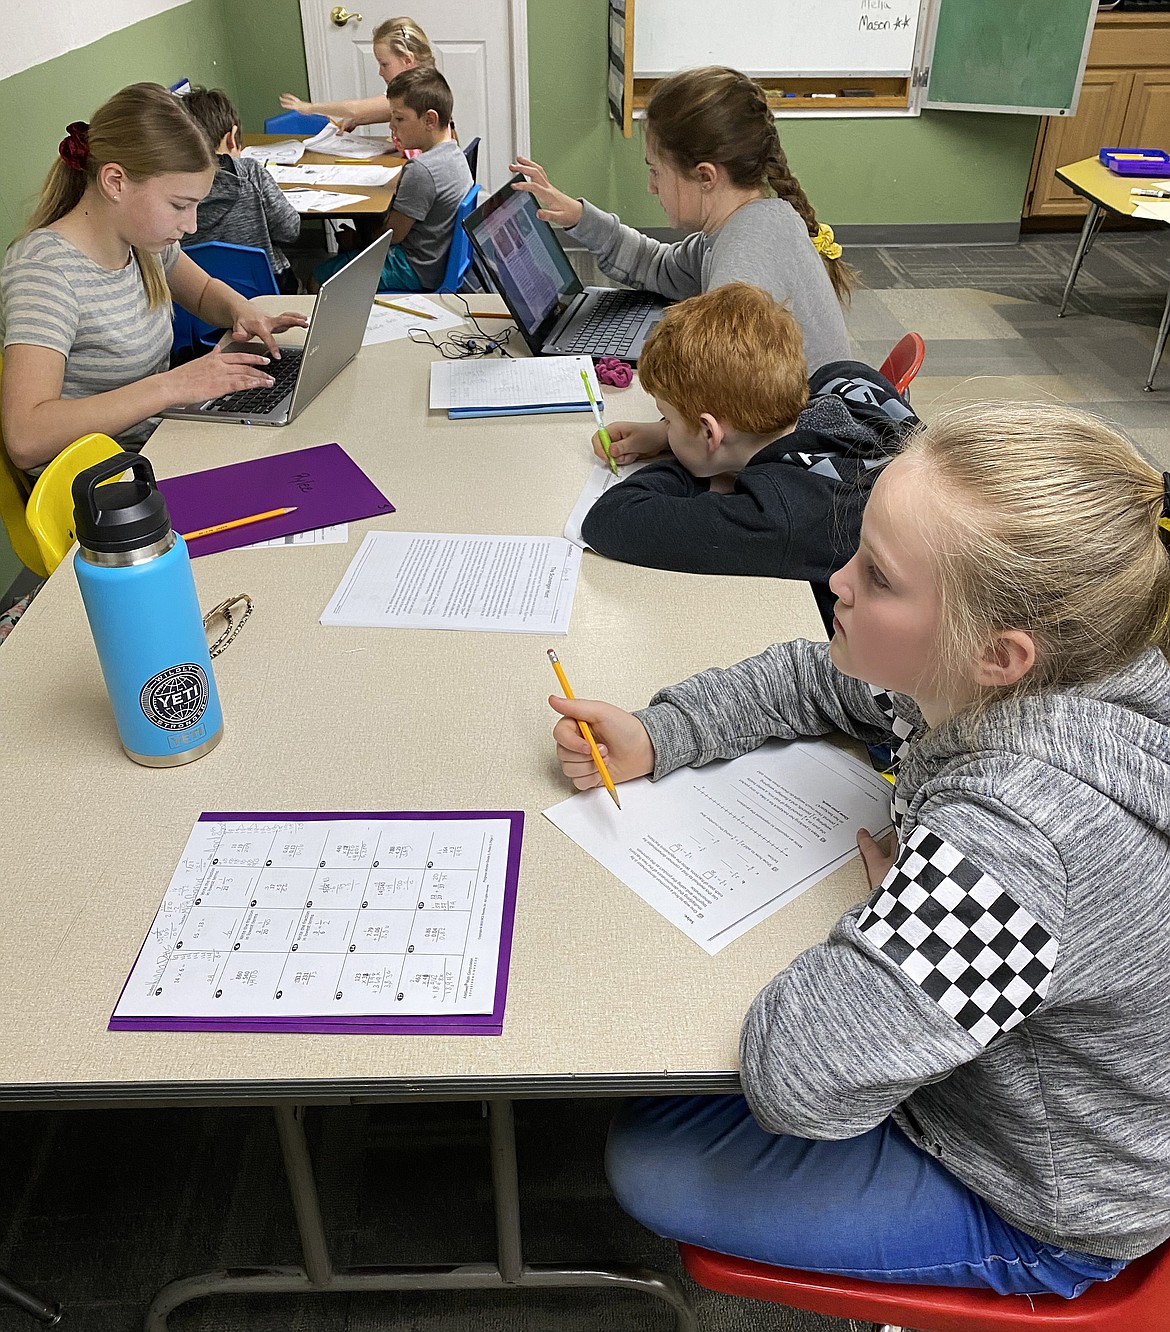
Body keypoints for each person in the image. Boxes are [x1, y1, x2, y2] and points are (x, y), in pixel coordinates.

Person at [550, 401, 1170, 1296]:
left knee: (653, 1159)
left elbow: (801, 1076)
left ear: (998, 655)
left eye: (877, 577)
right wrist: (663, 731)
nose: (836, 580)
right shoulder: (1034, 672)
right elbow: (823, 678)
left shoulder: (1029, 840)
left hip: (1046, 1195)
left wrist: (894, 913)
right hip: (1033, 1069)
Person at [0, 83, 307, 472]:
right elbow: (26, 438)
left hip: (158, 447)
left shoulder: (142, 243)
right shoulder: (43, 272)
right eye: (179, 205)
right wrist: (173, 386)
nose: (191, 225)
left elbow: (203, 293)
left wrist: (242, 310)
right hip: (104, 489)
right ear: (115, 182)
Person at [510, 66, 852, 374]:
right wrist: (581, 217)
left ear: (706, 177)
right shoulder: (753, 221)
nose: (651, 187)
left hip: (800, 437)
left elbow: (739, 413)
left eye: (656, 171)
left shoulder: (741, 273)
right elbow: (657, 265)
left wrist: (664, 427)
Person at [580, 282, 916, 588]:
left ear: (711, 432)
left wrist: (692, 461)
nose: (666, 428)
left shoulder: (776, 514)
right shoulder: (843, 378)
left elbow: (610, 519)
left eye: (668, 419)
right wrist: (669, 435)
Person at [311, 66, 471, 293]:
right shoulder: (455, 154)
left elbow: (392, 236)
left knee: (318, 279)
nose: (391, 125)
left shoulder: (422, 170)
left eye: (399, 118)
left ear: (430, 120)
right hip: (435, 260)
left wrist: (358, 242)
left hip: (414, 268)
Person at [181, 87, 302, 295]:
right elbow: (289, 230)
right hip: (266, 294)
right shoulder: (250, 173)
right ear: (232, 137)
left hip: (195, 296)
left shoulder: (173, 187)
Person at [279, 16, 433, 134]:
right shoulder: (417, 83)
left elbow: (356, 108)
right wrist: (357, 120)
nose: (380, 72)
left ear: (407, 60)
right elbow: (389, 111)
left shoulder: (418, 90)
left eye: (384, 64)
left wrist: (310, 108)